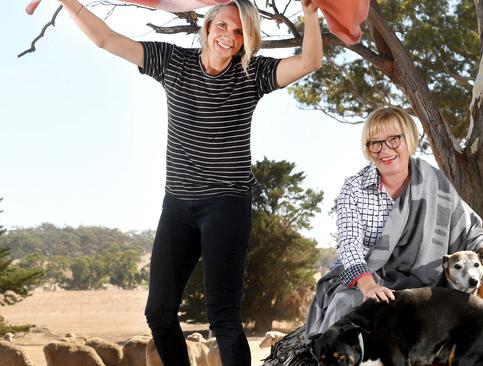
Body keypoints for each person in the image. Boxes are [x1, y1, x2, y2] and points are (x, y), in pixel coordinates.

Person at [52, 0, 323, 365]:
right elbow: (105, 39)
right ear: (208, 26)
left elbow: (310, 62)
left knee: (222, 316)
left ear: (247, 40)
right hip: (177, 205)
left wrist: (309, 16)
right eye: (224, 26)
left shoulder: (252, 74)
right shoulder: (173, 63)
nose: (229, 36)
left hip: (226, 204)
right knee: (158, 314)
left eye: (240, 31)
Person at [305, 106, 483, 337]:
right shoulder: (354, 189)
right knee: (345, 315)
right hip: (365, 280)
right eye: (375, 143)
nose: (384, 150)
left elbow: (469, 229)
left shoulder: (434, 181)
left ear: (409, 139)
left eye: (394, 139)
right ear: (368, 148)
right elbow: (349, 244)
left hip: (425, 285)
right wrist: (368, 285)